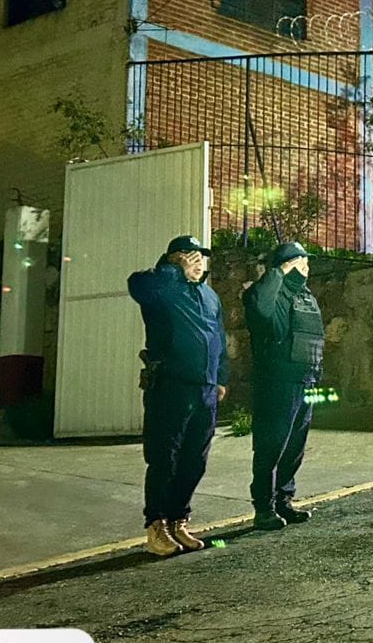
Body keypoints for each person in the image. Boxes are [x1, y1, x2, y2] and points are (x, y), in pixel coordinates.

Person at [128, 235, 229, 557]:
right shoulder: (161, 289)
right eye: (191, 257)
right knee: (164, 458)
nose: (199, 263)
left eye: (202, 258)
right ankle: (156, 525)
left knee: (194, 460)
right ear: (175, 258)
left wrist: (221, 378)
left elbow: (219, 339)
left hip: (206, 390)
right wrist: (173, 272)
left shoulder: (209, 296)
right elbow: (138, 285)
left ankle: (178, 520)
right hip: (171, 386)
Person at [243, 241, 324, 531]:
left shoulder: (305, 296)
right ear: (284, 266)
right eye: (299, 262)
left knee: (294, 447)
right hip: (278, 383)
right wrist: (278, 275)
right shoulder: (265, 293)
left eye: (306, 262)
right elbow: (265, 317)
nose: (306, 267)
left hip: (306, 380)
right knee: (271, 446)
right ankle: (263, 507)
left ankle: (283, 501)